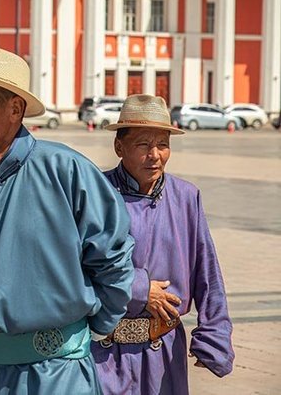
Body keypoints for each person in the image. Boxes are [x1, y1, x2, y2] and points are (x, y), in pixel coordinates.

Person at [0, 45, 135, 395]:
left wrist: (94, 328)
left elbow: (113, 257)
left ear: (14, 108)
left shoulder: (64, 169)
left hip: (53, 373)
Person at [91, 94, 234, 394]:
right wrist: (139, 291)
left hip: (164, 351)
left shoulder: (186, 197)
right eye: (143, 144)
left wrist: (214, 335)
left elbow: (207, 273)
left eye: (163, 145)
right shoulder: (95, 194)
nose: (154, 155)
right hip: (103, 354)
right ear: (119, 147)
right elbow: (75, 266)